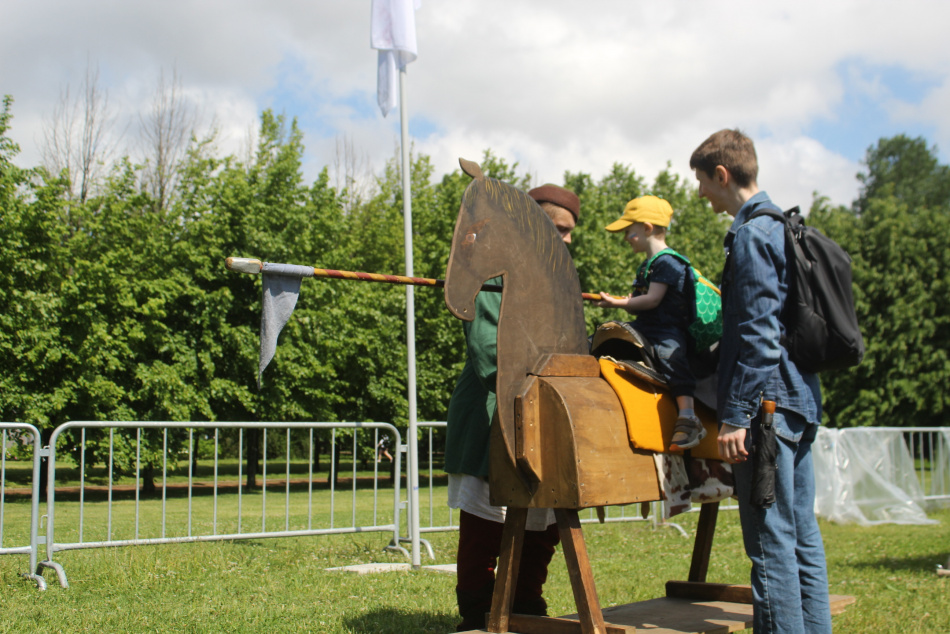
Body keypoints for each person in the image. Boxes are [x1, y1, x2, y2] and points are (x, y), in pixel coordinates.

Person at [690, 129, 832, 633]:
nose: (701, 194)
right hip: (799, 400)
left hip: (765, 410)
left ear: (722, 175)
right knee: (800, 537)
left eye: (702, 182)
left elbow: (758, 335)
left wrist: (735, 415)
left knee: (771, 544)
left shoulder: (751, 234)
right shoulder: (785, 226)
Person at [445, 183, 579, 632]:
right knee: (487, 523)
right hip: (491, 412)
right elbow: (488, 353)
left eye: (569, 234)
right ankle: (478, 613)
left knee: (544, 519)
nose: (563, 240)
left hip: (543, 411)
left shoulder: (559, 280)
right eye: (556, 229)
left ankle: (525, 604)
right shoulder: (495, 269)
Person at [595, 196, 704, 451]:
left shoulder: (669, 262)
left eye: (629, 232)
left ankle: (688, 416)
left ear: (646, 228)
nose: (626, 239)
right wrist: (623, 301)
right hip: (647, 326)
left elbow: (653, 300)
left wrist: (618, 304)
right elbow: (641, 298)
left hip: (667, 330)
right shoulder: (649, 264)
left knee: (669, 354)